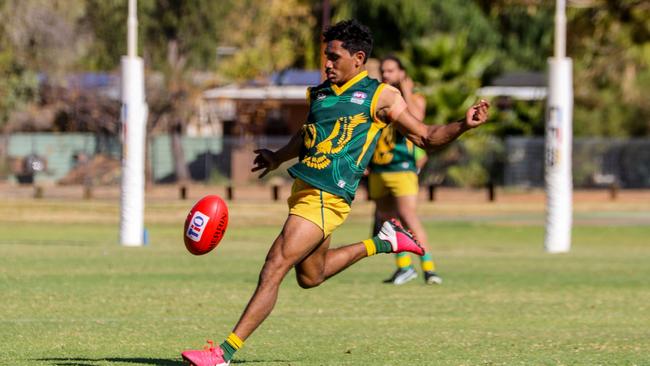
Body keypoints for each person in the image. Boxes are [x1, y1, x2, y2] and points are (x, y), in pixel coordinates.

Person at [181, 19, 489, 366]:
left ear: (358, 58)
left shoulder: (381, 96)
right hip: (303, 190)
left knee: (274, 267)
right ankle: (384, 242)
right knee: (311, 276)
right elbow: (307, 134)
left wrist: (463, 125)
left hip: (328, 196)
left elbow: (425, 137)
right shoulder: (319, 94)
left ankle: (222, 353)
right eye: (325, 57)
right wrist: (277, 156)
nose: (326, 64)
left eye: (334, 57)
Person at [368, 55, 442, 285]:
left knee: (409, 218)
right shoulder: (379, 95)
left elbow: (417, 120)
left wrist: (406, 91)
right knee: (388, 221)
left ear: (402, 72)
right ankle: (404, 267)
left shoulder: (414, 95)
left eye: (391, 70)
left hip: (402, 169)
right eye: (383, 70)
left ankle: (429, 269)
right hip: (379, 169)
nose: (386, 75)